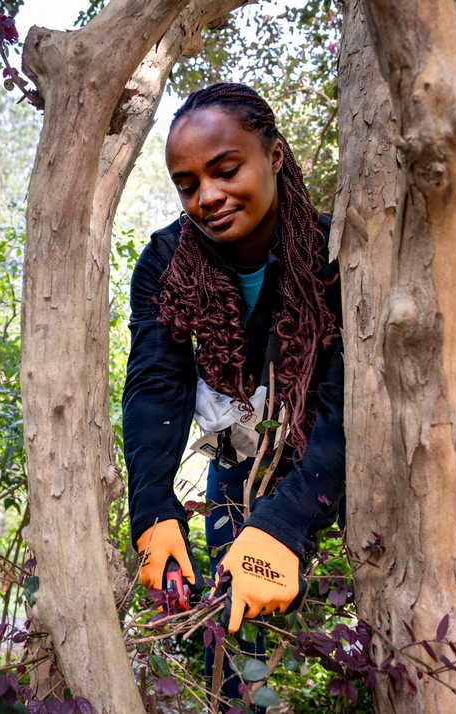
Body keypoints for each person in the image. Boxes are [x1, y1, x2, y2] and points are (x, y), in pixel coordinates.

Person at [122, 82, 345, 709]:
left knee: (356, 621)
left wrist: (287, 522)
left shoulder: (337, 253)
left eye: (225, 170)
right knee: (230, 630)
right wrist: (153, 510)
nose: (208, 198)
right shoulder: (166, 260)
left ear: (274, 155)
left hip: (331, 461)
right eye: (188, 184)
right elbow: (155, 384)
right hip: (234, 459)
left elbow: (345, 400)